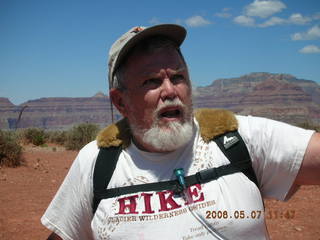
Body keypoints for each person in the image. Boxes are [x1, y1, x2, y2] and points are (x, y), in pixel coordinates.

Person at [42, 24, 320, 240]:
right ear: (120, 102)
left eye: (177, 77)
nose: (171, 91)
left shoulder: (237, 137)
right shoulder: (97, 162)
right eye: (151, 81)